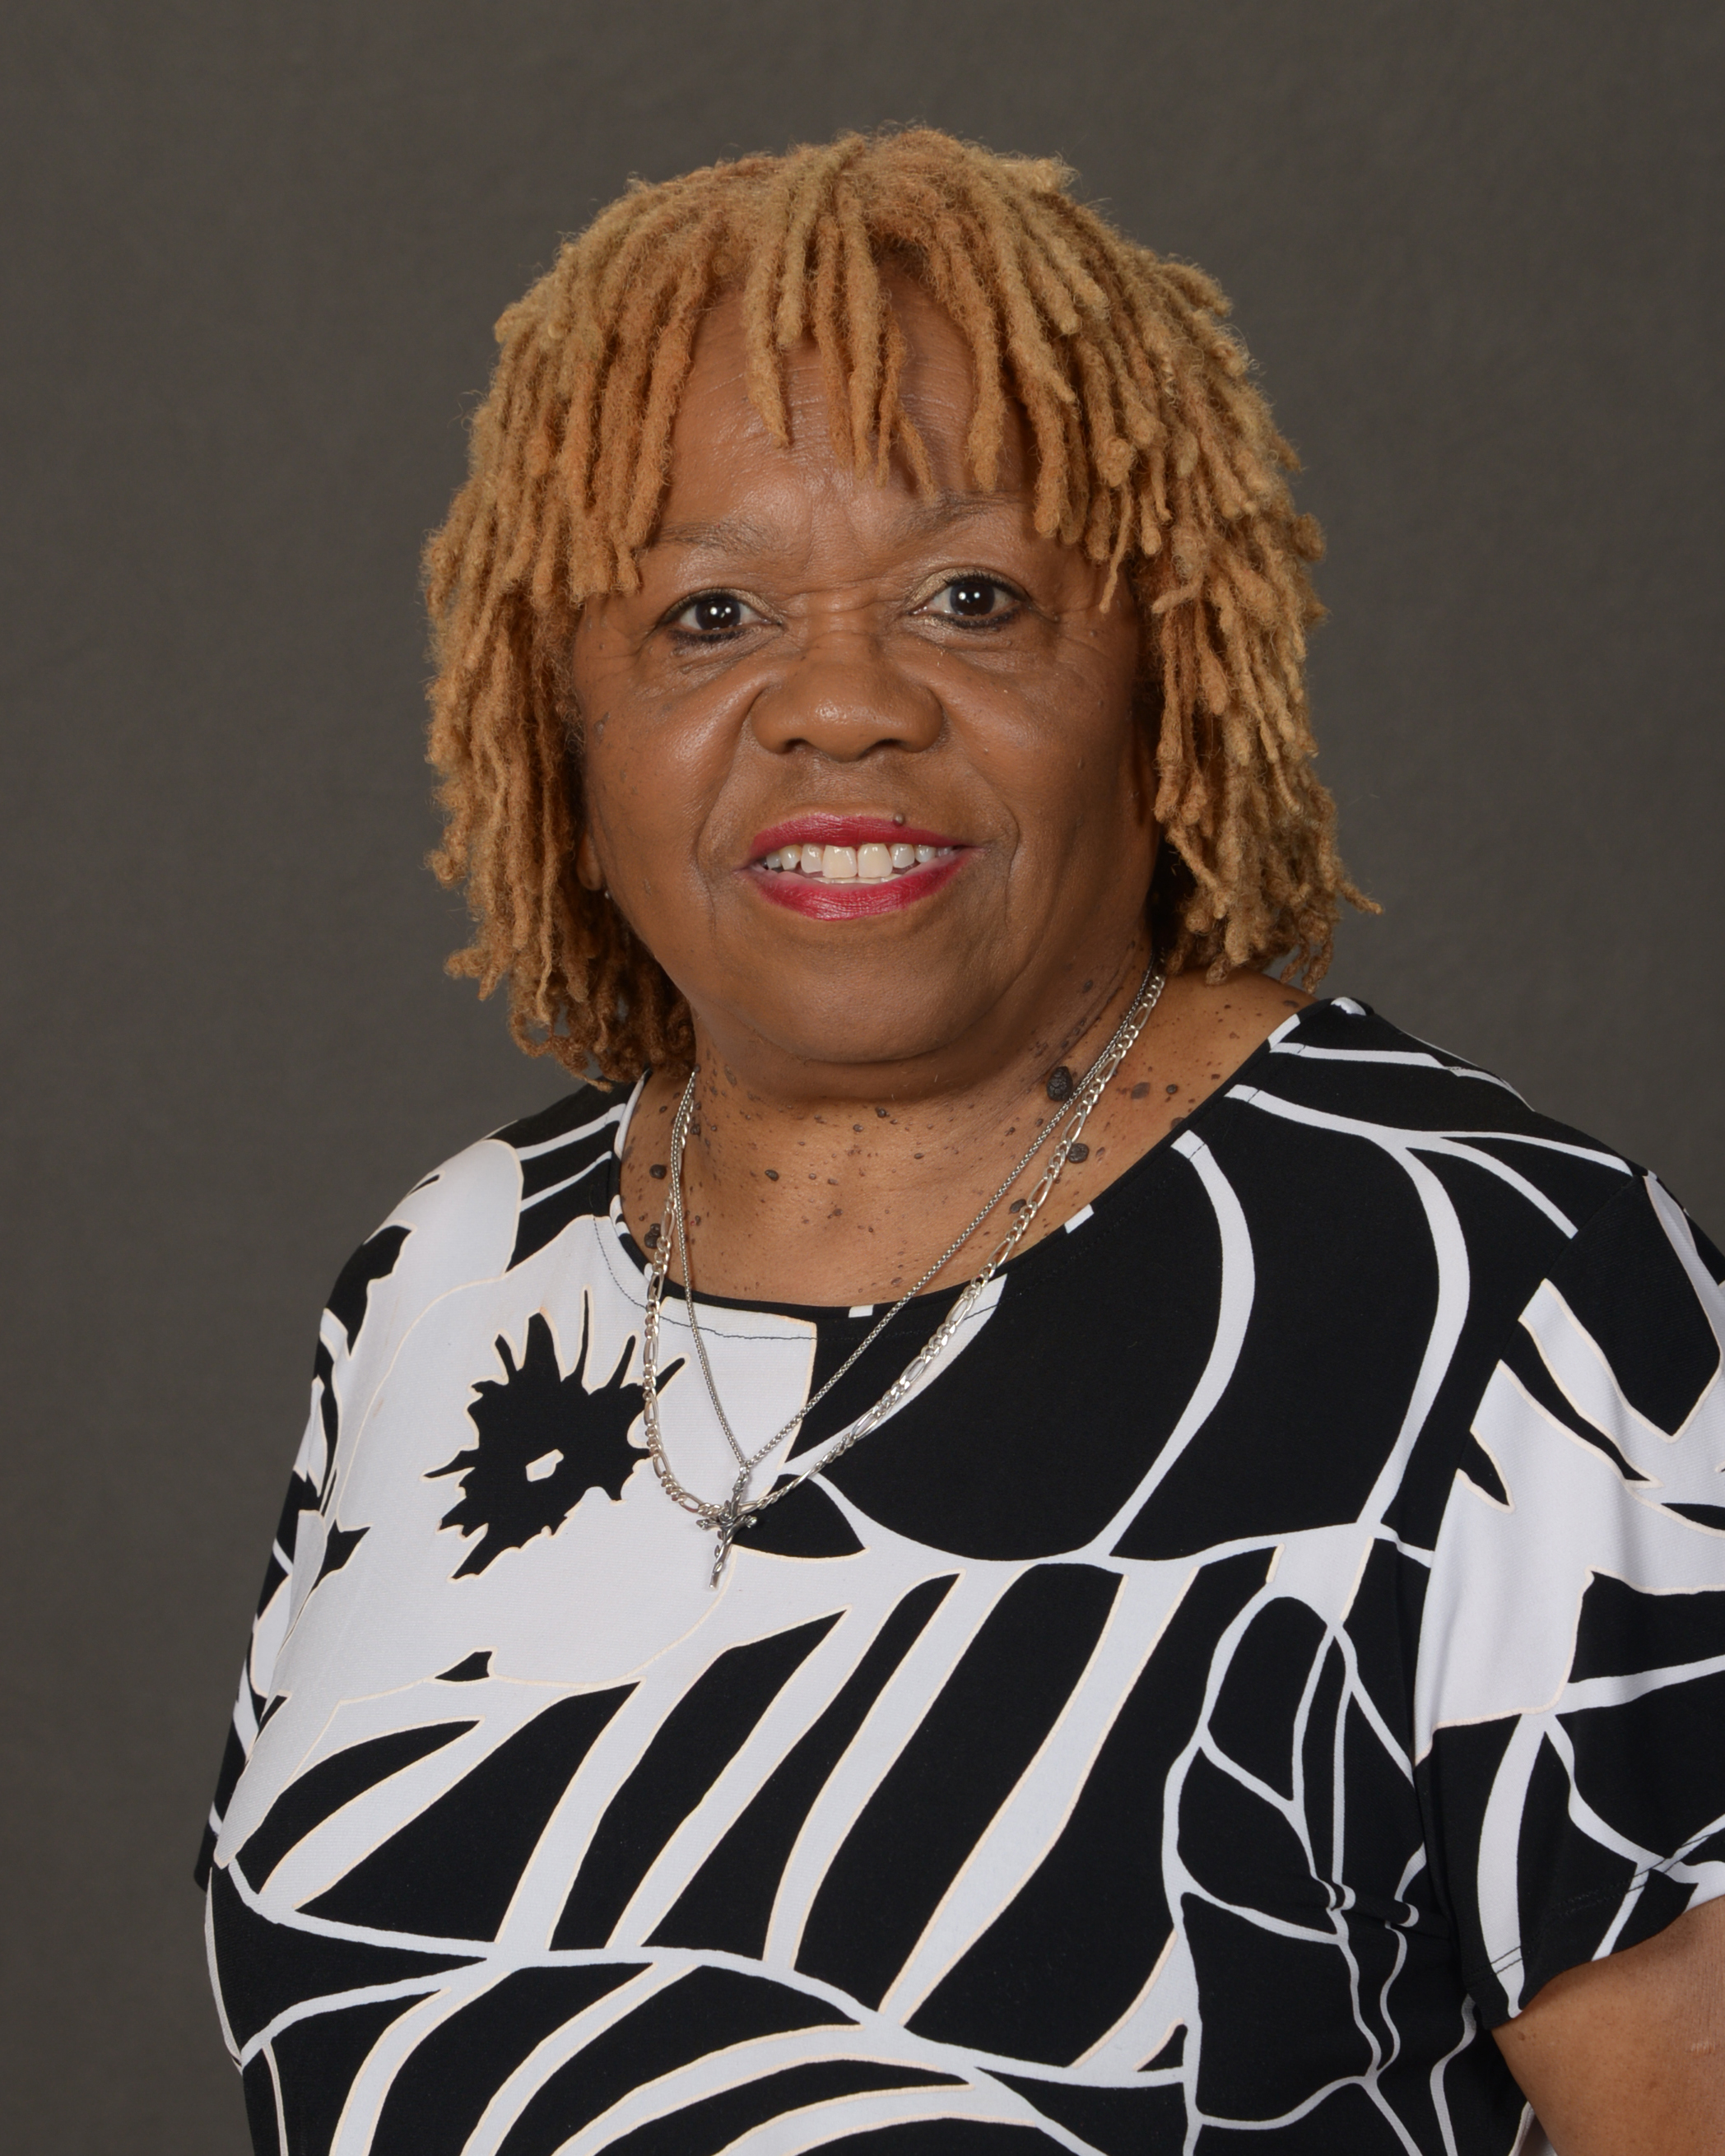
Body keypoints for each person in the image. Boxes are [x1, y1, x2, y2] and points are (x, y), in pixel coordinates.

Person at [198, 129, 1725, 2155]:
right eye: (710, 611)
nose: (840, 705)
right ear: (556, 713)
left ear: (1168, 661)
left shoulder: (1509, 1299)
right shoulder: (448, 1277)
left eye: (972, 596)